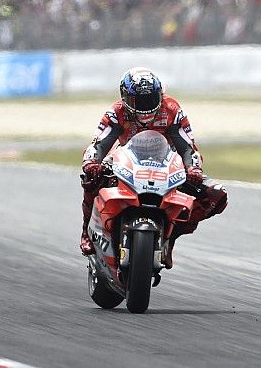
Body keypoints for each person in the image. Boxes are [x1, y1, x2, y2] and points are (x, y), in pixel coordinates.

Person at [79, 67, 227, 267]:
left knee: (216, 196)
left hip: (167, 165)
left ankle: (171, 236)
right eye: (138, 101)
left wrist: (193, 169)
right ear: (125, 98)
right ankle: (86, 232)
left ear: (160, 95)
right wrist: (92, 163)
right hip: (124, 161)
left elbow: (187, 146)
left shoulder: (172, 110)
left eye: (150, 99)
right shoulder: (116, 112)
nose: (145, 107)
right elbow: (100, 143)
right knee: (91, 178)